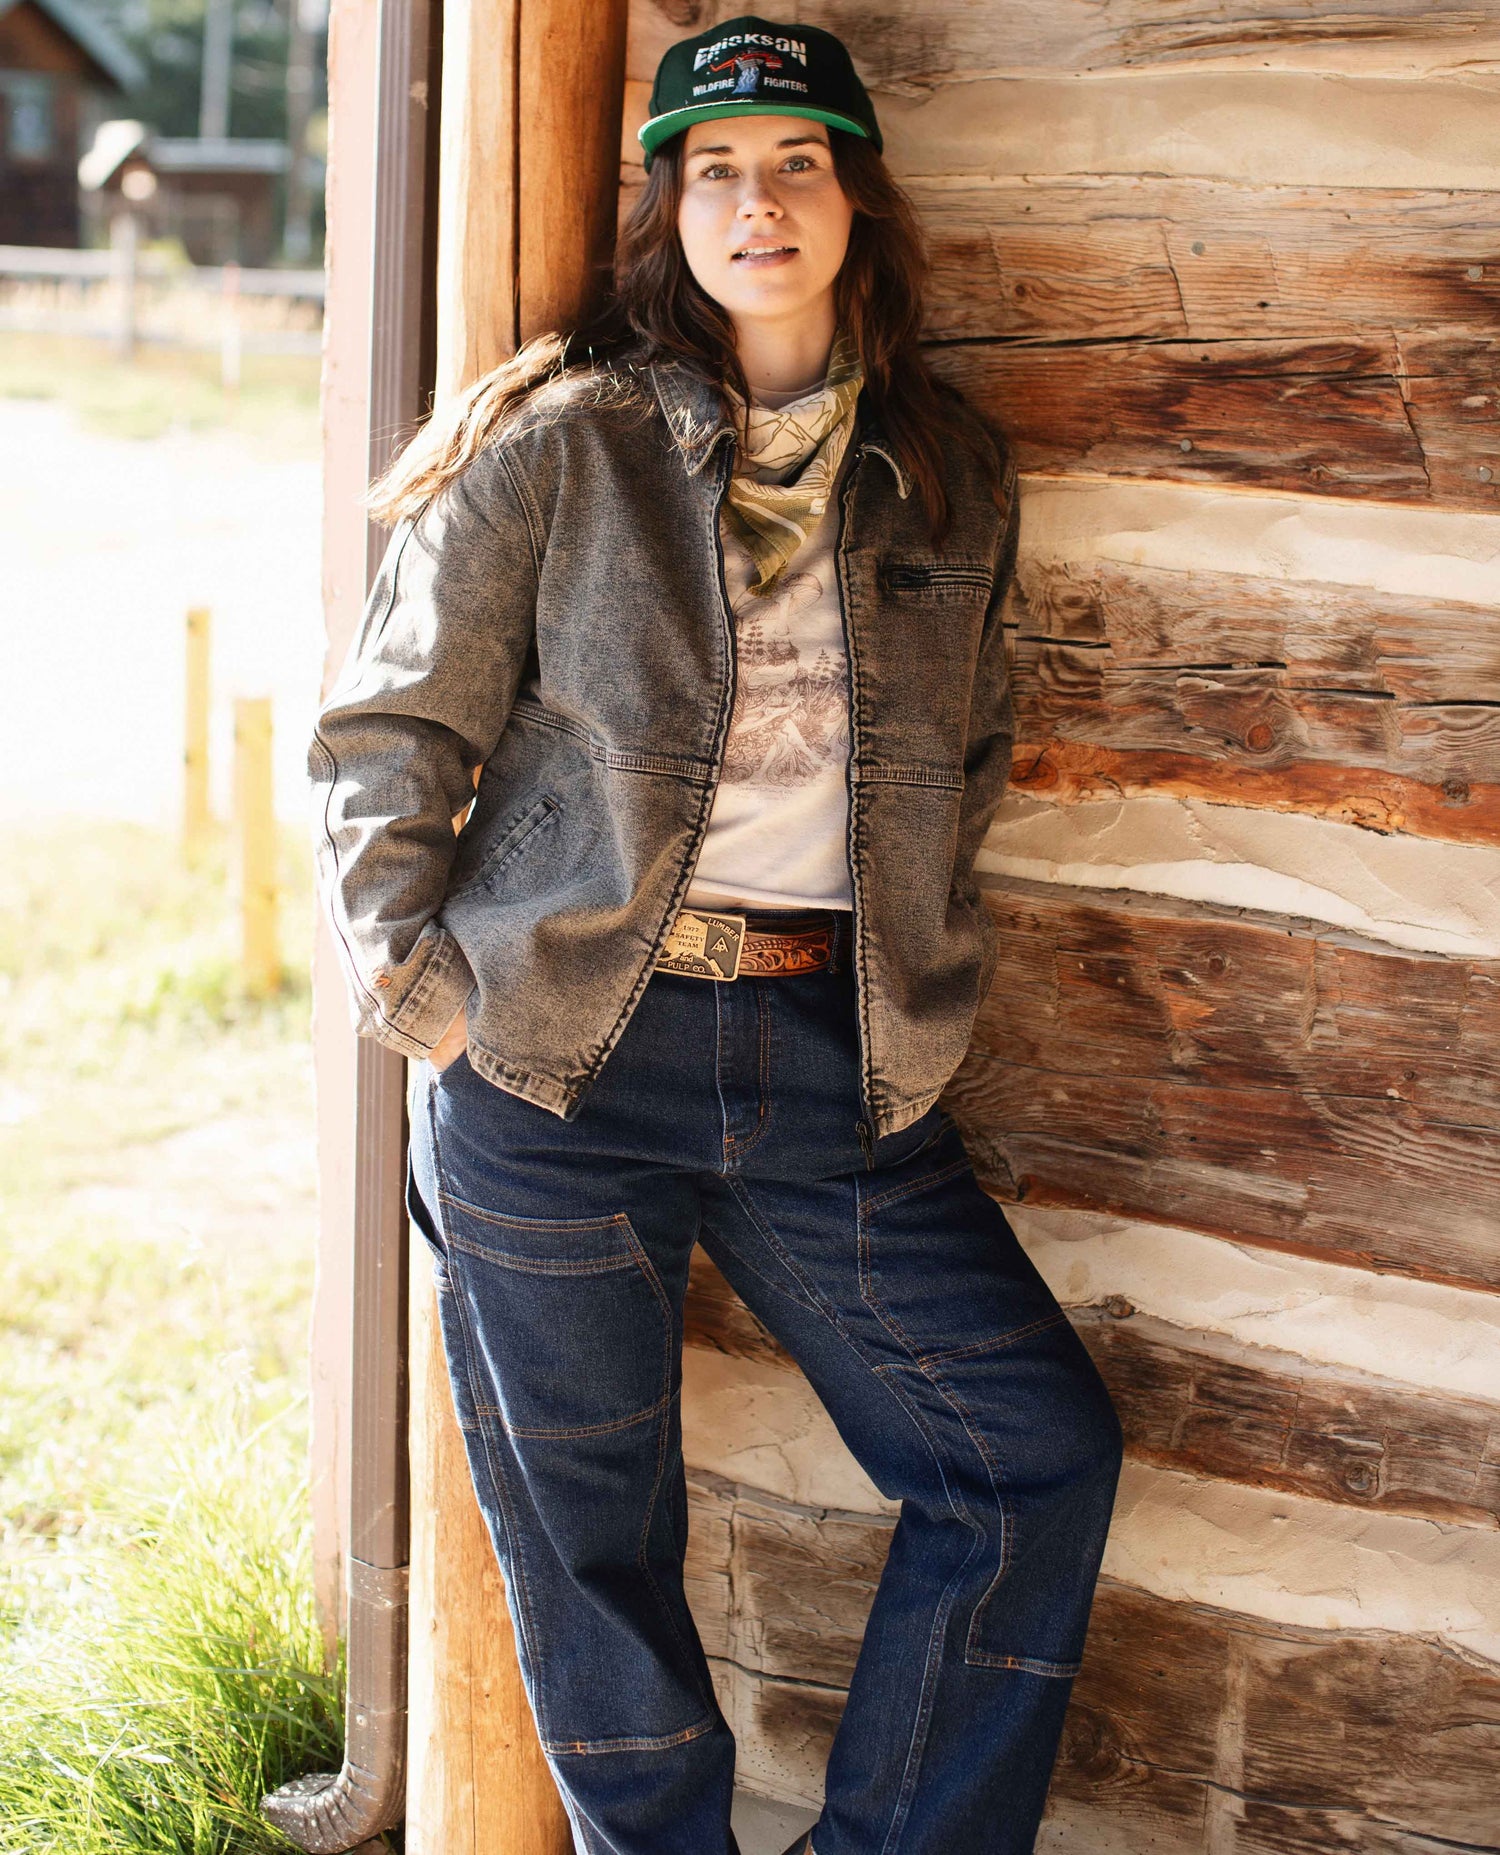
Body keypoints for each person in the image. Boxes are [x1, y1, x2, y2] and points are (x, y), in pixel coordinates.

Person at [310, 15, 1123, 1853]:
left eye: (796, 164)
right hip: (550, 1054)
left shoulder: (949, 473)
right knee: (589, 1540)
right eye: (715, 170)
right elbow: (385, 732)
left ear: (856, 195)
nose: (758, 203)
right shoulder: (558, 441)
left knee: (1032, 1461)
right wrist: (421, 989)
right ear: (669, 206)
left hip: (832, 1066)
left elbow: (971, 745)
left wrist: (918, 985)